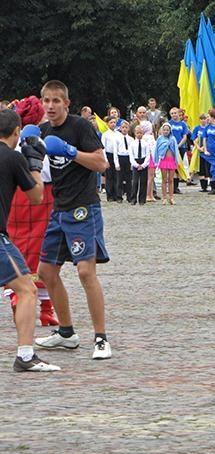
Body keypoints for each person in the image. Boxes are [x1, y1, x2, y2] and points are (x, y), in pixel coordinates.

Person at [34, 80, 112, 360]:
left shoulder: (80, 127)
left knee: (85, 272)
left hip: (83, 208)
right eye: (46, 101)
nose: (51, 106)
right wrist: (29, 149)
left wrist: (71, 151)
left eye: (56, 101)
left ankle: (101, 338)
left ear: (66, 103)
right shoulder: (43, 131)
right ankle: (66, 333)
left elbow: (102, 164)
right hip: (59, 209)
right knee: (46, 272)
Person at [0, 109, 60, 372]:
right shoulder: (12, 157)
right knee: (27, 290)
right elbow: (36, 196)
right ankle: (25, 356)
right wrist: (34, 163)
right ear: (17, 132)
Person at [154, 122, 180, 205]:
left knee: (171, 179)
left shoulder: (173, 139)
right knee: (164, 179)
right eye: (164, 130)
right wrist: (156, 161)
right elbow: (157, 150)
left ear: (170, 130)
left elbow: (176, 150)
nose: (166, 131)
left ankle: (171, 197)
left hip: (171, 160)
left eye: (167, 130)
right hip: (163, 160)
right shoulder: (160, 139)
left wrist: (177, 161)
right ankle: (164, 197)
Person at [168, 107, 190, 194]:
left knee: (178, 166)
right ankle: (172, 187)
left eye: (175, 113)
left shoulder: (183, 124)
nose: (174, 115)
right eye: (172, 113)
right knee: (172, 166)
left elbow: (185, 136)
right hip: (171, 148)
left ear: (178, 114)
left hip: (181, 147)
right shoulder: (169, 123)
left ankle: (176, 187)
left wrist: (179, 145)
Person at [129, 125, 150, 205]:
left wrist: (143, 165)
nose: (139, 134)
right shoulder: (132, 144)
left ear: (143, 133)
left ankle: (142, 200)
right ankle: (133, 199)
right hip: (136, 162)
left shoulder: (146, 144)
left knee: (143, 182)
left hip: (143, 161)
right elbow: (131, 156)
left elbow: (148, 155)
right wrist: (136, 165)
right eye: (137, 133)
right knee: (135, 182)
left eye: (141, 133)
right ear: (135, 133)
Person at [101, 117, 120, 202]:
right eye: (111, 122)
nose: (113, 124)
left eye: (114, 122)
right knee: (109, 176)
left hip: (116, 155)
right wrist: (105, 160)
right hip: (108, 155)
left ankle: (116, 194)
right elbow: (103, 148)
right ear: (107, 124)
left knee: (116, 175)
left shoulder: (118, 134)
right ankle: (110, 195)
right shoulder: (105, 134)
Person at [114, 120, 134, 203]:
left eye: (126, 127)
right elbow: (115, 151)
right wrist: (116, 163)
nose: (124, 129)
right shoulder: (117, 139)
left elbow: (133, 152)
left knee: (129, 179)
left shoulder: (131, 139)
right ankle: (119, 196)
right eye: (123, 127)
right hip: (120, 157)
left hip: (128, 158)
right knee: (119, 178)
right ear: (120, 128)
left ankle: (129, 196)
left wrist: (132, 163)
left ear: (128, 129)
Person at [191, 114, 210, 192]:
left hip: (207, 150)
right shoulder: (197, 128)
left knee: (206, 168)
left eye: (204, 119)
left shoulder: (209, 128)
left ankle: (207, 185)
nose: (203, 120)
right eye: (201, 119)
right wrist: (198, 147)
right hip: (199, 151)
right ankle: (203, 187)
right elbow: (194, 139)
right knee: (201, 168)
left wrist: (205, 147)